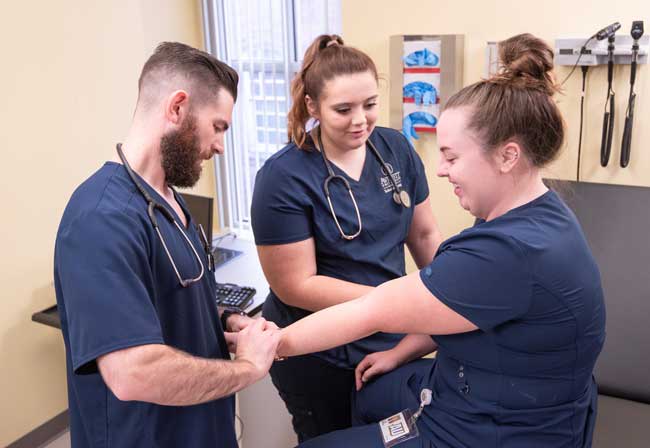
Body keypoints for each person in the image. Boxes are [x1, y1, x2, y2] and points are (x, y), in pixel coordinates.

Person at [274, 33, 607, 447]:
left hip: (493, 427)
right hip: (478, 382)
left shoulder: (508, 251)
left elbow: (376, 310)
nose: (441, 169)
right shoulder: (541, 215)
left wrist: (275, 343)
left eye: (451, 156)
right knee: (372, 392)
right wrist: (400, 352)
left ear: (508, 156)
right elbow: (463, 302)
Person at [54, 42, 280, 448]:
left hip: (204, 430)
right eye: (219, 127)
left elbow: (173, 294)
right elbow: (132, 371)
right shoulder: (101, 220)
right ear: (177, 108)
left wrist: (224, 321)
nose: (220, 146)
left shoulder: (171, 203)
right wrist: (247, 368)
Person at [249, 34, 442, 442]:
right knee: (330, 437)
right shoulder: (283, 177)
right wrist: (390, 302)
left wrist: (446, 293)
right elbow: (296, 285)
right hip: (320, 354)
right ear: (312, 106)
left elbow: (423, 233)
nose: (361, 120)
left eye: (370, 104)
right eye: (343, 109)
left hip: (390, 339)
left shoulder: (396, 149)